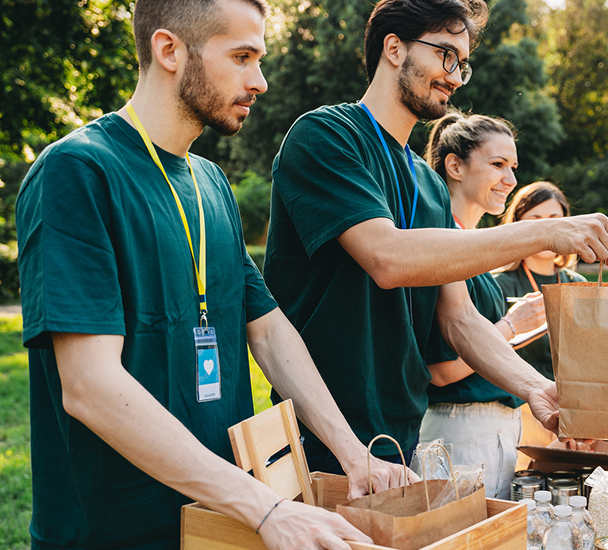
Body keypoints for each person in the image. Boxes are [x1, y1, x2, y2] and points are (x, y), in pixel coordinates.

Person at [15, 1, 408, 548]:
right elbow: (90, 387)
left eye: (260, 59)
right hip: (113, 533)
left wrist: (353, 453)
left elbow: (268, 331)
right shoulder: (77, 172)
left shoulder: (212, 183)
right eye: (242, 57)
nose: (261, 81)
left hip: (217, 523)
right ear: (169, 50)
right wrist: (267, 508)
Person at [263, 0, 608, 473]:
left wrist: (536, 387)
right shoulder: (326, 135)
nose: (455, 77)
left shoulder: (429, 183)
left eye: (463, 64)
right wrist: (544, 231)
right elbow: (386, 257)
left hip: (401, 439)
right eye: (446, 55)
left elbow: (460, 320)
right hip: (319, 437)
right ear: (394, 48)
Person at [417, 110, 546, 499]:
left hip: (493, 433)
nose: (511, 179)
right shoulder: (439, 243)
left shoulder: (470, 245)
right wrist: (510, 325)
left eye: (513, 167)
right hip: (460, 434)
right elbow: (440, 370)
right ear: (455, 165)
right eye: (498, 165)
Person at [492, 181, 589, 380]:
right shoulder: (498, 284)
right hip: (521, 403)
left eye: (555, 220)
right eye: (535, 220)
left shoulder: (579, 284)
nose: (547, 229)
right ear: (517, 225)